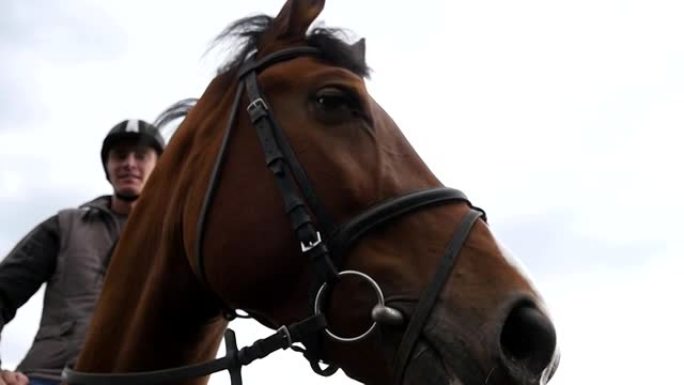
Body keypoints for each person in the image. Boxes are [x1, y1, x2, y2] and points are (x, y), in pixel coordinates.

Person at [0, 119, 165, 385]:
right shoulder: (65, 226)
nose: (130, 164)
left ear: (160, 168)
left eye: (141, 156)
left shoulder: (175, 237)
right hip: (53, 375)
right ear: (107, 168)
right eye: (120, 155)